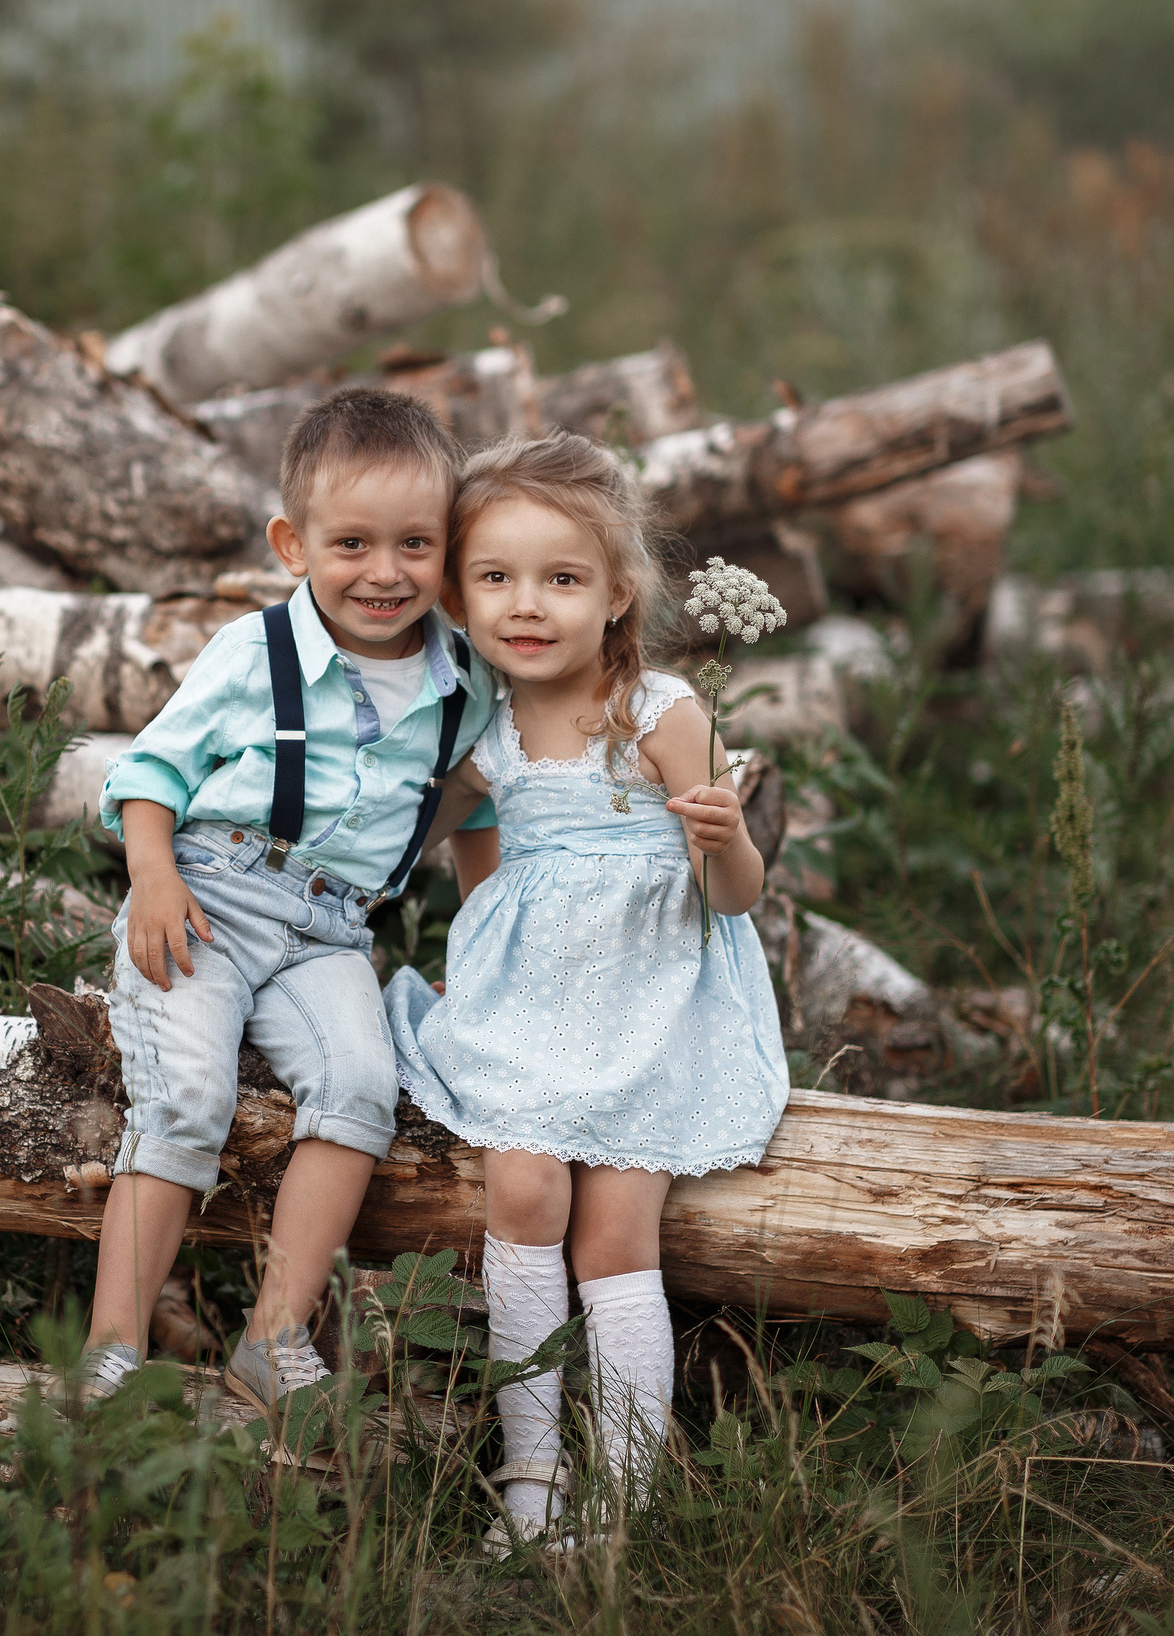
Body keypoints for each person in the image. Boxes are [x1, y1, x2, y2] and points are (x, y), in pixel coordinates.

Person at [383, 432, 789, 1549]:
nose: (527, 604)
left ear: (616, 596)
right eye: (496, 577)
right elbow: (462, 843)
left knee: (614, 1234)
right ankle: (532, 1468)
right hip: (529, 1011)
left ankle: (626, 1487)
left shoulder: (661, 712)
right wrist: (478, 943)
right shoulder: (486, 725)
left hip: (650, 1010)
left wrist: (723, 838)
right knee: (522, 1194)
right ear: (458, 597)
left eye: (561, 578)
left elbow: (735, 897)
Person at [81, 389, 503, 1425]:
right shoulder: (255, 653)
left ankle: (273, 1337)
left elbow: (475, 809)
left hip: (332, 930)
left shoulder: (464, 685)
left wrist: (482, 946)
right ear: (293, 544)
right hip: (208, 896)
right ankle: (110, 1348)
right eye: (351, 543)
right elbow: (150, 773)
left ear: (448, 551)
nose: (384, 572)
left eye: (415, 545)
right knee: (188, 1096)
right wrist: (154, 877)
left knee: (360, 1088)